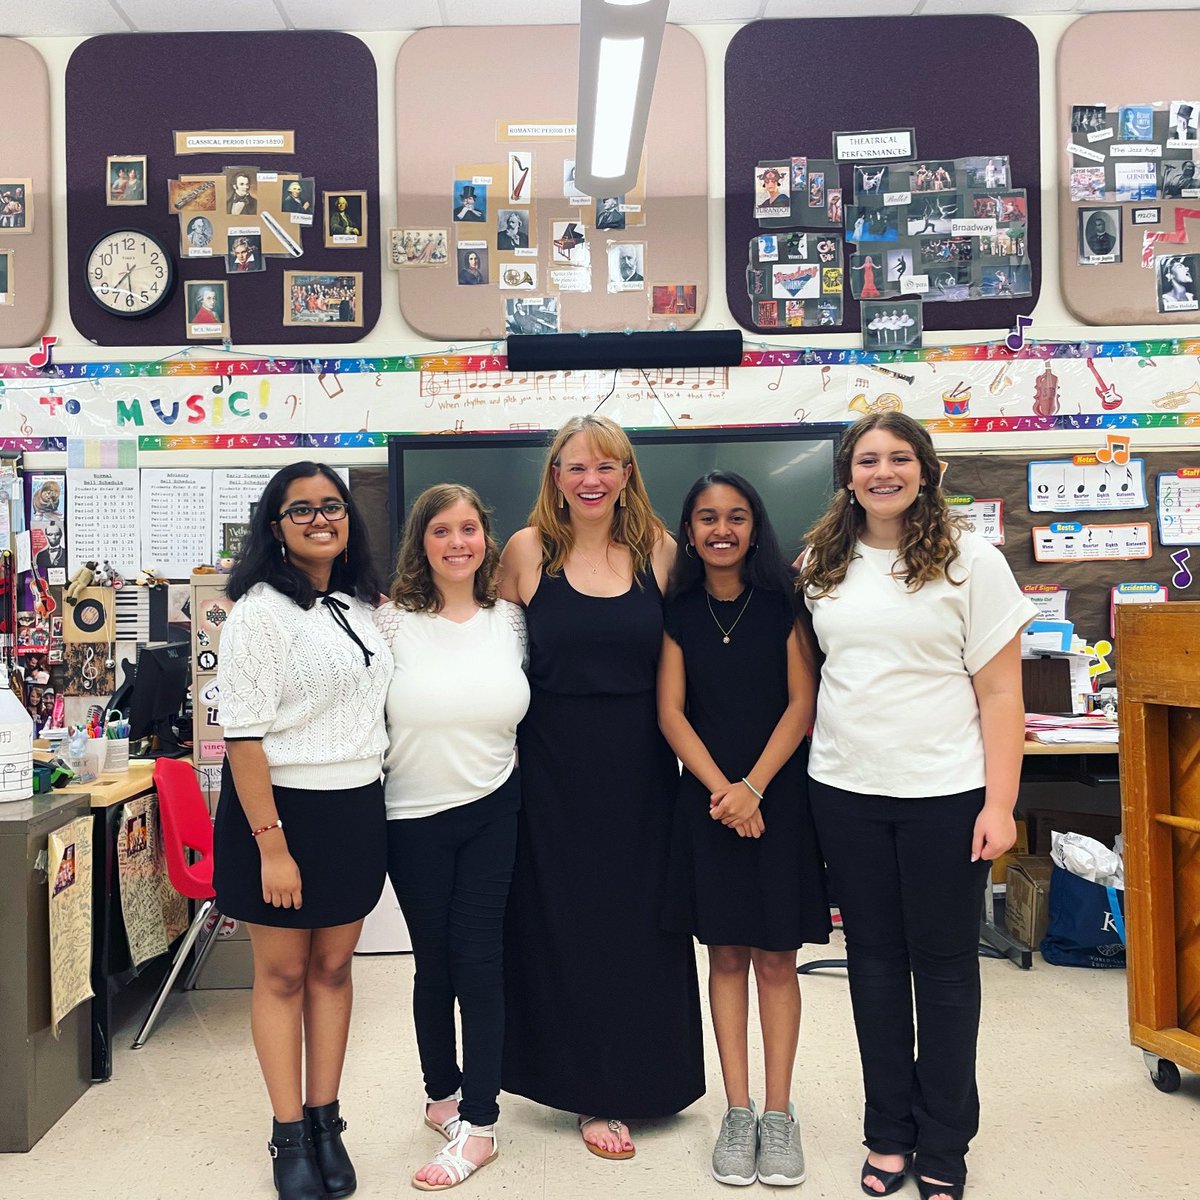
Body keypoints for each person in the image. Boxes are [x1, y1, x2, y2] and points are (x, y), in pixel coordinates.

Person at [797, 413, 1034, 1200]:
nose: (883, 471)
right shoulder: (821, 562)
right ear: (848, 474)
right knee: (870, 967)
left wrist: (1002, 804)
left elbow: (1001, 691)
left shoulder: (972, 562)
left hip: (945, 795)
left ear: (925, 471)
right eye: (868, 460)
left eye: (900, 458)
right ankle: (887, 1134)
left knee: (942, 972)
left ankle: (945, 1145)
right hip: (845, 792)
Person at [499, 414, 705, 1159]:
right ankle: (587, 1090)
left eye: (605, 466)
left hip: (643, 770)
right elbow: (483, 652)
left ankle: (641, 1078)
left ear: (626, 476)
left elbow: (695, 659)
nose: (590, 479)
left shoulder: (658, 551)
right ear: (554, 475)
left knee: (640, 927)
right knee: (563, 927)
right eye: (574, 466)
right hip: (549, 772)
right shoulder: (525, 553)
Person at [213, 462, 391, 1200]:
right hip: (279, 814)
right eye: (301, 510)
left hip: (354, 807)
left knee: (334, 971)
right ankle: (289, 1135)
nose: (322, 519)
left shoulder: (357, 603)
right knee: (283, 975)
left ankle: (326, 1120)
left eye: (333, 506)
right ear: (275, 527)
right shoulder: (258, 611)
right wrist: (273, 846)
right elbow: (244, 738)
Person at [658, 471, 829, 1189]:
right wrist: (724, 791)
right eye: (705, 518)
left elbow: (802, 703)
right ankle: (737, 1110)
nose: (720, 529)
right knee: (723, 956)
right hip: (707, 805)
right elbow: (671, 713)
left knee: (776, 959)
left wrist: (753, 787)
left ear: (755, 527)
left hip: (779, 803)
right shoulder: (678, 610)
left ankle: (779, 1115)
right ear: (690, 531)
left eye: (735, 516)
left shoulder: (784, 604)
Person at [374, 484, 530, 1192]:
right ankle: (441, 1094)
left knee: (479, 961)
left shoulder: (511, 620)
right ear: (422, 541)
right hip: (411, 816)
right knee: (432, 963)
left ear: (485, 538)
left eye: (470, 528)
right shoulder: (390, 624)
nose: (458, 542)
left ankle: (483, 1121)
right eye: (443, 531)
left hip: (495, 806)